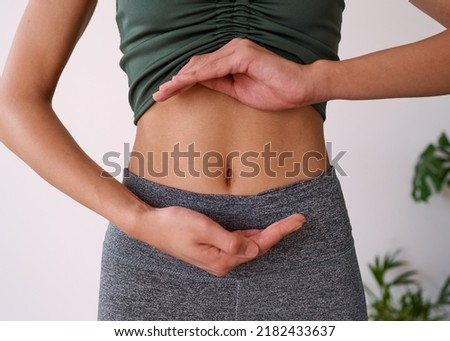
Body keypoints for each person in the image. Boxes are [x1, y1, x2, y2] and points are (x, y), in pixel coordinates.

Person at [0, 0, 448, 321]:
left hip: (303, 239)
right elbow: (14, 103)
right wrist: (137, 219)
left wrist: (317, 81)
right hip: (156, 242)